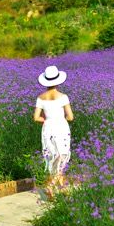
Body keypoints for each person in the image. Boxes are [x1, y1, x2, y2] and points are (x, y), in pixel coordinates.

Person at [33, 65, 74, 199]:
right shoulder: (63, 97)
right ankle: (50, 187)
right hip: (61, 127)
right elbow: (70, 117)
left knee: (53, 157)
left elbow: (36, 117)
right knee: (62, 156)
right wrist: (62, 118)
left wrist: (45, 119)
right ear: (57, 80)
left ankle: (62, 188)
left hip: (48, 127)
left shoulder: (40, 98)